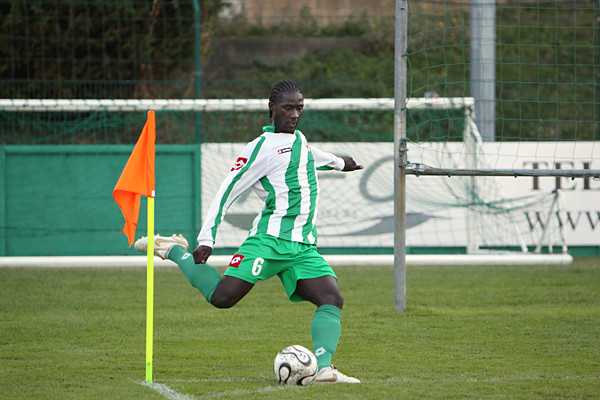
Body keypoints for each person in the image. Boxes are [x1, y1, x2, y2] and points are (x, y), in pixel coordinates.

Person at [134, 80, 363, 383]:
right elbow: (226, 191)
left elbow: (309, 154)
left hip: (303, 247)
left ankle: (323, 369)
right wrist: (206, 239)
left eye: (300, 108)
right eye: (288, 108)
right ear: (272, 109)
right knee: (221, 298)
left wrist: (339, 163)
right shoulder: (259, 148)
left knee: (331, 298)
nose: (295, 114)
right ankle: (175, 250)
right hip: (268, 241)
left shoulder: (299, 140)